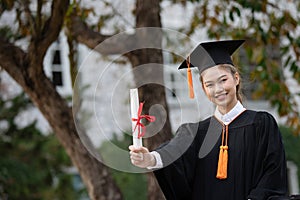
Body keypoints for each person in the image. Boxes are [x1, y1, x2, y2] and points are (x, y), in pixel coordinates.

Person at [129, 40, 288, 200]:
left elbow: (272, 172)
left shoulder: (261, 124)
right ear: (204, 89)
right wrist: (149, 158)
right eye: (209, 85)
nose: (218, 89)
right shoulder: (195, 133)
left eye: (223, 80)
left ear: (236, 79)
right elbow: (174, 152)